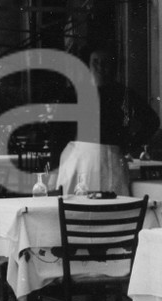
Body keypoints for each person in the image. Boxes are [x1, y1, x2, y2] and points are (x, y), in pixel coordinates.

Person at [54, 45, 160, 195]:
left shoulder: (124, 94)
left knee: (111, 209)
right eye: (95, 62)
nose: (100, 66)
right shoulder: (73, 93)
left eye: (106, 62)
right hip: (77, 160)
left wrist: (130, 143)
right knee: (75, 208)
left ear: (114, 66)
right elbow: (59, 129)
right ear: (88, 64)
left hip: (110, 159)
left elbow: (152, 121)